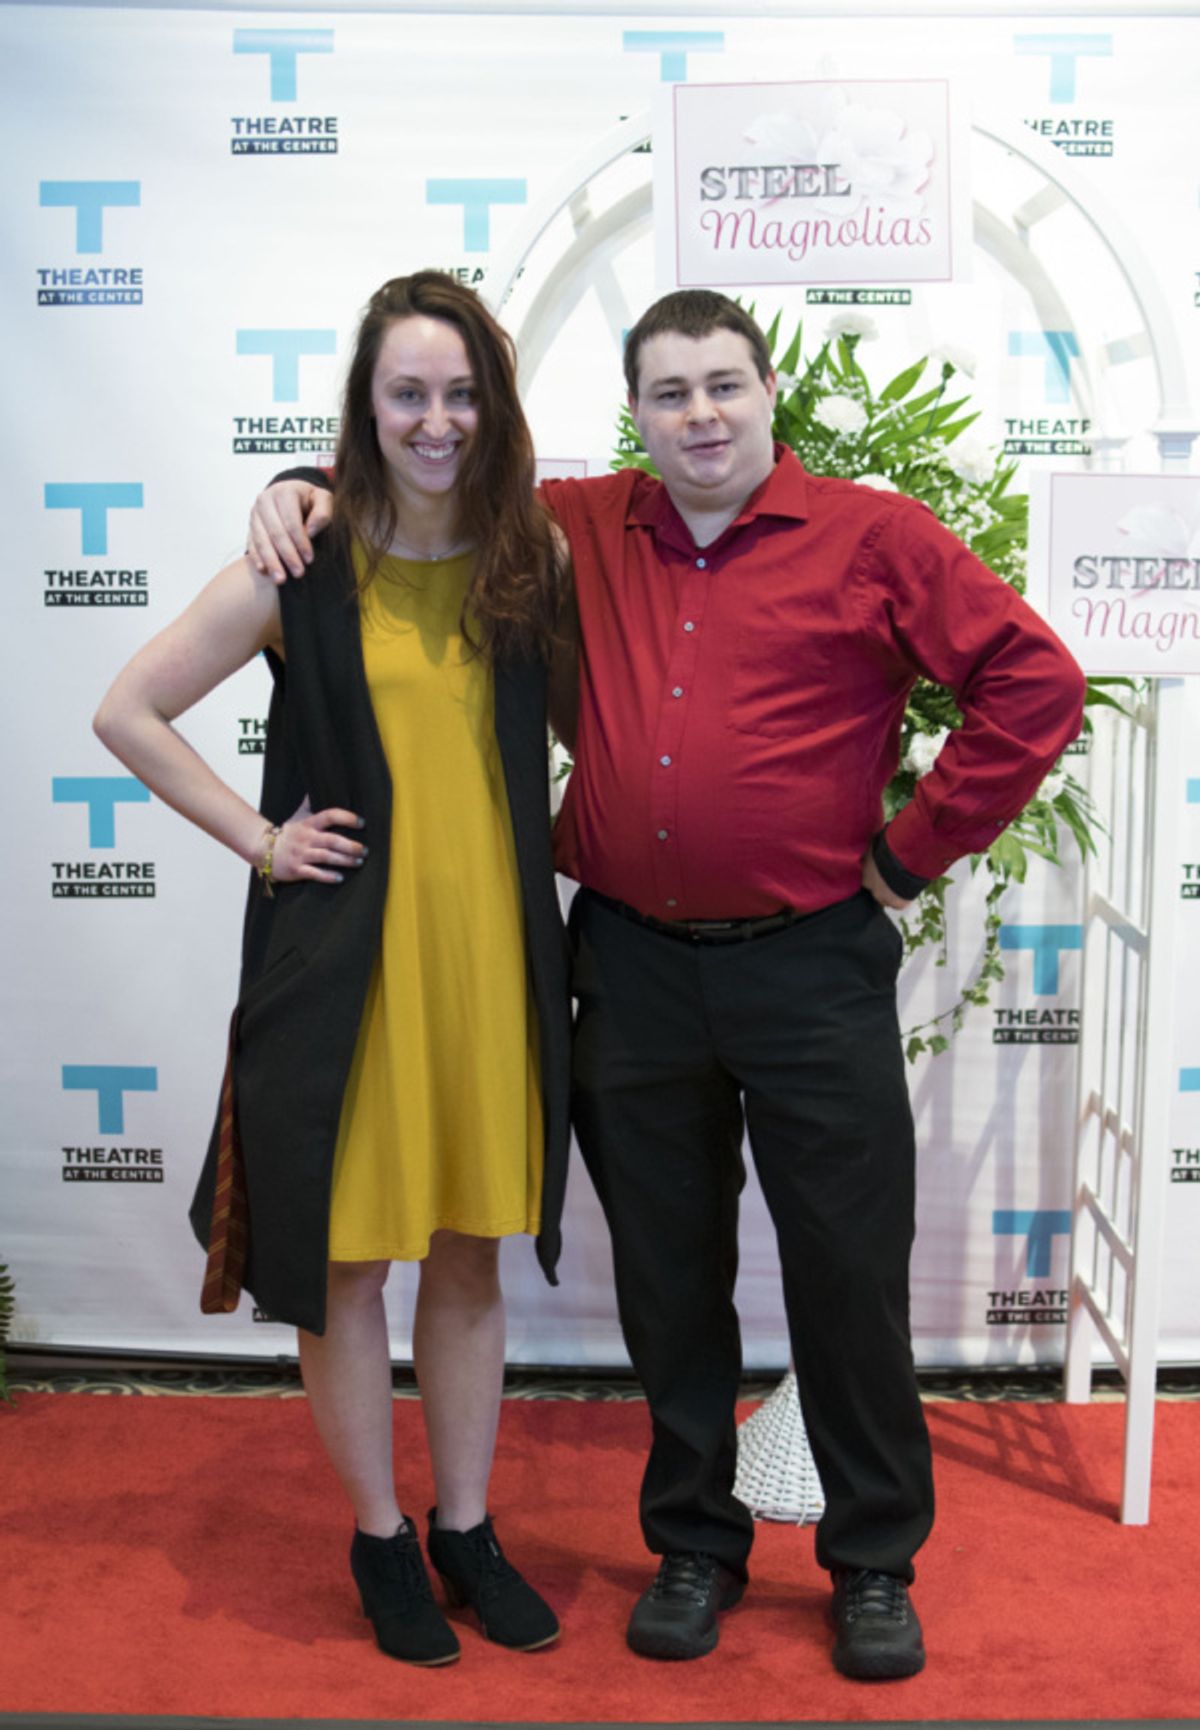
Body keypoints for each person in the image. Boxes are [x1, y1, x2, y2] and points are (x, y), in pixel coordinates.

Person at [248, 289, 1087, 1681]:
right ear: (636, 413)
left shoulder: (875, 537)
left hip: (811, 965)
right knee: (668, 1276)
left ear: (769, 394)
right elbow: (427, 467)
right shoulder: (579, 524)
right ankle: (695, 1542)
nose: (701, 414)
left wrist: (910, 851)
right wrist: (299, 485)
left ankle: (873, 1561)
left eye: (723, 385)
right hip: (631, 966)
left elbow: (1034, 682)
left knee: (847, 1274)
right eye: (670, 392)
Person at [94, 271, 572, 1669]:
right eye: (407, 392)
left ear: (495, 404)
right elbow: (129, 709)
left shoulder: (529, 555)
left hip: (490, 961)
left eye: (461, 392)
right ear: (366, 405)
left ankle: (466, 1526)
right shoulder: (299, 557)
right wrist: (261, 839)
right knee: (350, 1267)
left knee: (471, 1252)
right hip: (351, 971)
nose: (437, 420)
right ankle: (379, 1538)